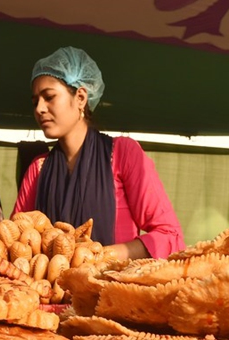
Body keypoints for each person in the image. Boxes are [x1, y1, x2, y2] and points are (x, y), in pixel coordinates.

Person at [12, 46, 185, 260]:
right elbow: (15, 241)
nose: (39, 108)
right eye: (35, 101)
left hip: (111, 289)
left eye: (49, 97)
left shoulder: (122, 154)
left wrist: (100, 256)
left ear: (81, 98)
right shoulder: (38, 169)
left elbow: (169, 235)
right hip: (50, 292)